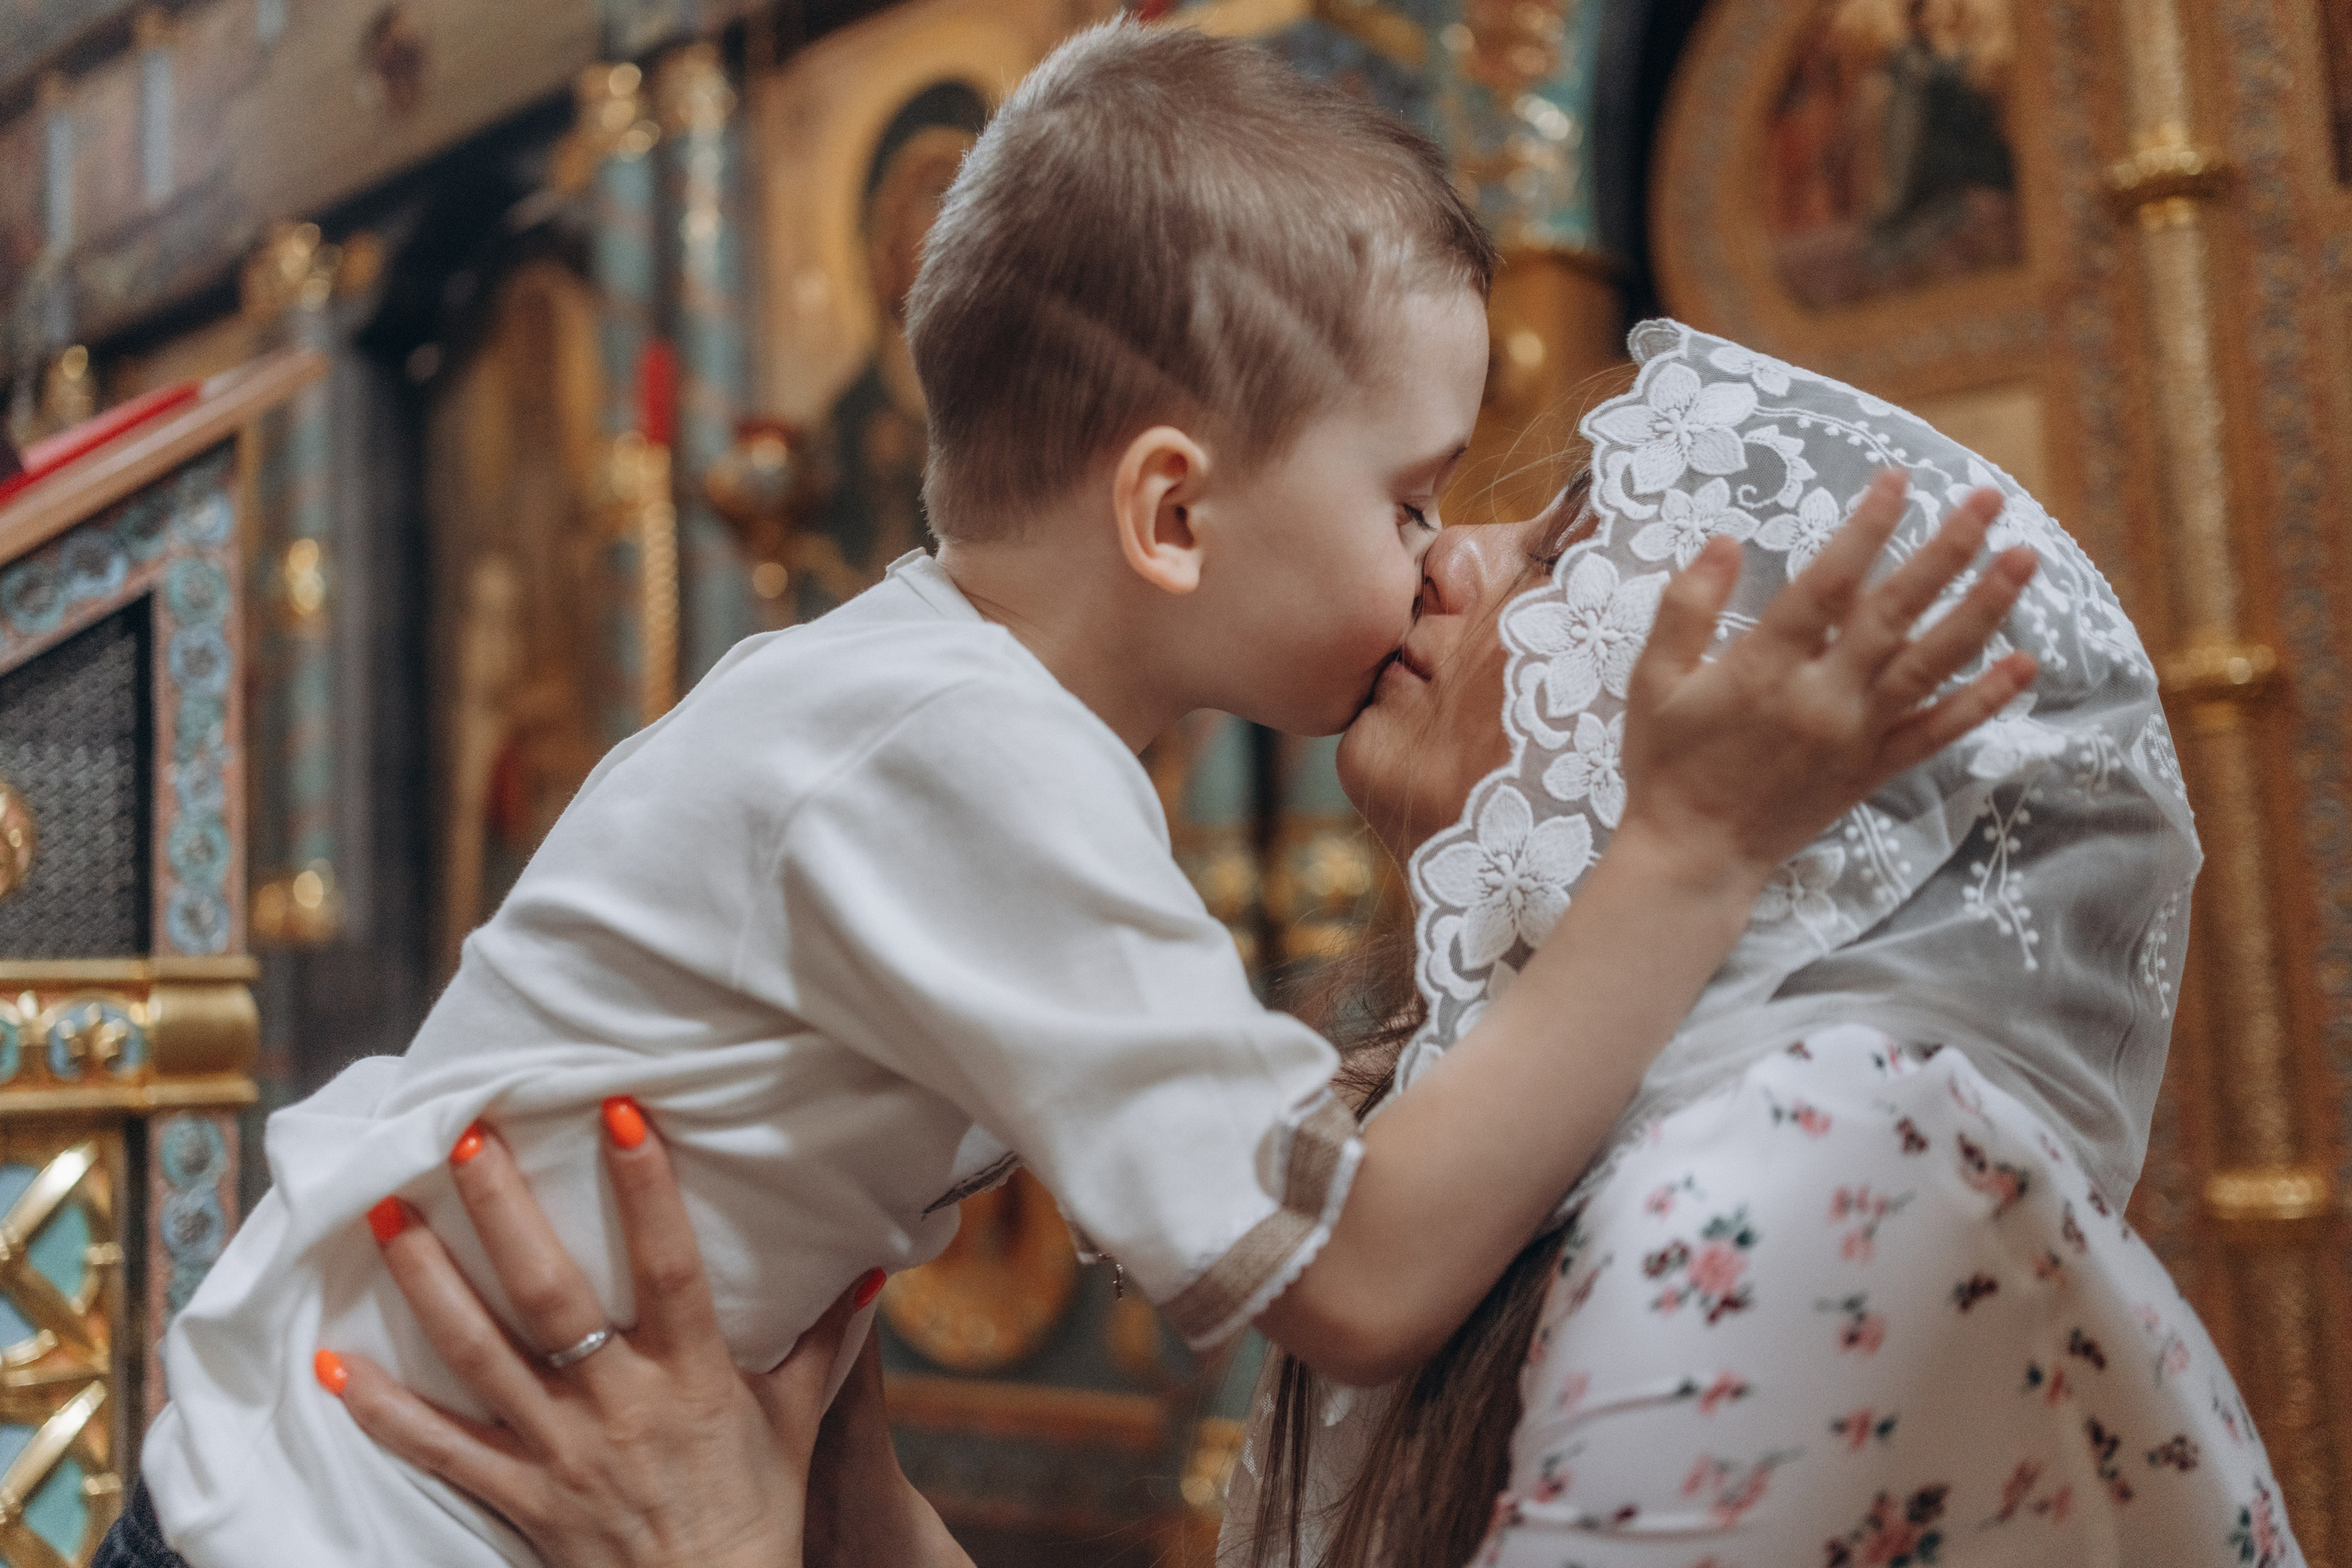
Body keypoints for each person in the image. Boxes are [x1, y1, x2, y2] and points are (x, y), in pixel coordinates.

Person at [118, 25, 2036, 1568]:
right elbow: (1355, 1273)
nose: (1435, 559)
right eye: (1408, 497)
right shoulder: (965, 753)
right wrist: (1694, 843)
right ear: (1174, 509)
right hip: (352, 1506)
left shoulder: (917, 702)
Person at [336, 325, 2297, 1568]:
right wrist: (836, 1499)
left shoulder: (1807, 1173)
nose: (1452, 558)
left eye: (1569, 549)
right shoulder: (1513, 1149)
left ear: (1800, 782)